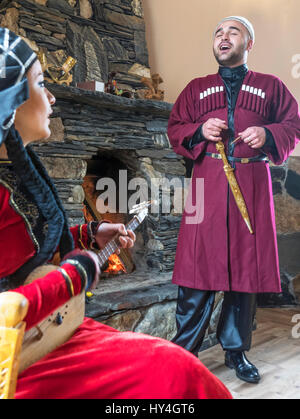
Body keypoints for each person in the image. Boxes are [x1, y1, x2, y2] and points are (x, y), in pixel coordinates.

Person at [0, 27, 232, 399]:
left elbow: (30, 249)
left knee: (178, 369)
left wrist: (90, 234)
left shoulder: (17, 172)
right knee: (176, 373)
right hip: (19, 361)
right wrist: (79, 272)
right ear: (8, 98)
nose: (52, 97)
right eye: (42, 84)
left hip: (50, 330)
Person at [168, 16, 300, 384]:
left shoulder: (271, 87)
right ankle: (182, 352)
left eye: (233, 32)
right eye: (218, 32)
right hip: (207, 182)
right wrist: (199, 130)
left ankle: (236, 351)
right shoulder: (195, 89)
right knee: (196, 270)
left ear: (248, 43)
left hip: (251, 184)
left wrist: (268, 131)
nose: (223, 37)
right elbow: (175, 128)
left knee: (245, 274)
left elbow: (294, 124)